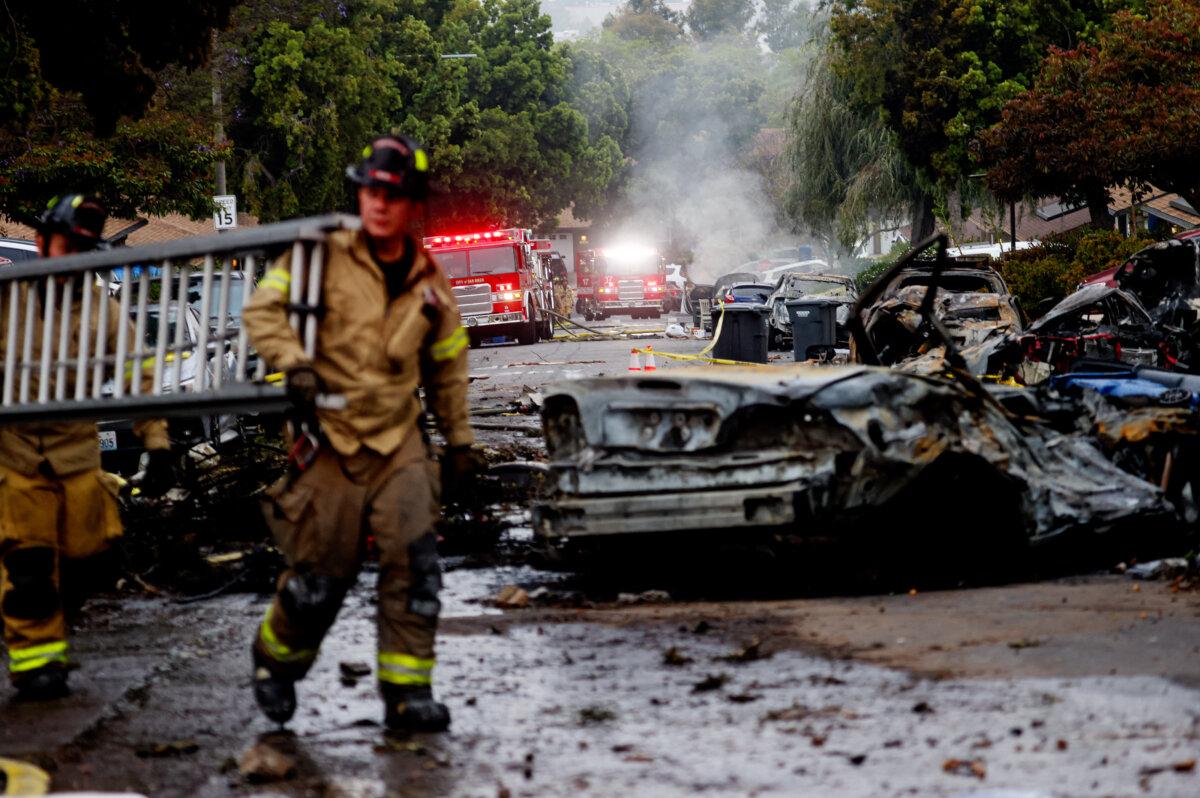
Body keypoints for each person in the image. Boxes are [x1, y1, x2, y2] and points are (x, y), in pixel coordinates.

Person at [244, 135, 476, 732]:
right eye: (371, 190)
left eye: (392, 195)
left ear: (413, 204)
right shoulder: (319, 254)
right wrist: (292, 361)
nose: (378, 203)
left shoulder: (429, 279)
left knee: (415, 567)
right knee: (319, 581)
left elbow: (448, 365)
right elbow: (262, 312)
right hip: (330, 440)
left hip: (399, 441)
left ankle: (406, 693)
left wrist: (461, 443)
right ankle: (274, 664)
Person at [0, 194, 174, 700]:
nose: (73, 254)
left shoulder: (104, 311)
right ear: (42, 243)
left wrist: (157, 444)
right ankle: (36, 664)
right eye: (66, 243)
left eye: (83, 246)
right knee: (30, 567)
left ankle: (45, 623)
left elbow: (138, 376)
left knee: (88, 561)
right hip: (17, 460)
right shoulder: (8, 298)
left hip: (77, 458)